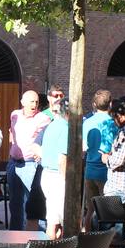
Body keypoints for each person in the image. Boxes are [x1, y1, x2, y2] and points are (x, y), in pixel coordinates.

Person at [6, 90, 51, 230]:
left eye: (37, 101)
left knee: (32, 204)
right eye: (31, 101)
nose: (34, 104)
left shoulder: (44, 118)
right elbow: (11, 132)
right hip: (14, 163)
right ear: (23, 102)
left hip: (30, 164)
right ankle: (14, 240)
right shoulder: (15, 115)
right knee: (14, 203)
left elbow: (47, 140)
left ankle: (35, 240)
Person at [82, 89, 116, 224]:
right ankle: (106, 243)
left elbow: (84, 147)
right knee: (107, 211)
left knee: (90, 209)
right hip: (105, 171)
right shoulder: (113, 123)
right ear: (111, 104)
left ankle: (87, 240)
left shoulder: (87, 122)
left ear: (94, 105)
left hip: (90, 169)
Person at [39, 101, 69, 237]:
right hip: (58, 176)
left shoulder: (51, 125)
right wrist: (66, 181)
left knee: (53, 218)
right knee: (58, 221)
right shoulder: (66, 127)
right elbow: (63, 157)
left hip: (47, 174)